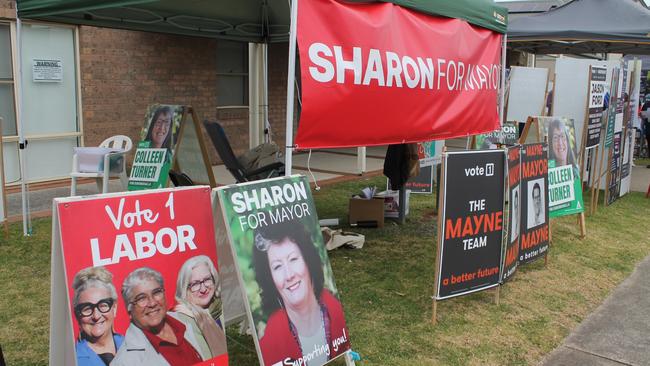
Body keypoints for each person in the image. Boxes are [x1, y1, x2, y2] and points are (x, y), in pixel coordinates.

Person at [253, 220, 349, 366]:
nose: (289, 275)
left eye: (293, 259)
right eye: (277, 266)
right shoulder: (270, 342)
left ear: (308, 261)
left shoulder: (336, 313)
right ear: (270, 278)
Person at [112, 267, 208, 366]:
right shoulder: (124, 362)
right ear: (129, 309)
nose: (152, 303)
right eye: (141, 298)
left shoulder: (189, 320)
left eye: (156, 292)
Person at [173, 256, 228, 359]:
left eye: (207, 279)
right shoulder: (180, 321)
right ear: (185, 287)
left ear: (214, 278)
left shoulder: (221, 308)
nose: (203, 289)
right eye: (195, 284)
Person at [72, 267, 123, 366]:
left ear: (114, 308)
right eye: (87, 308)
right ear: (77, 315)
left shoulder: (136, 346)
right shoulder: (71, 360)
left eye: (103, 305)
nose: (96, 316)